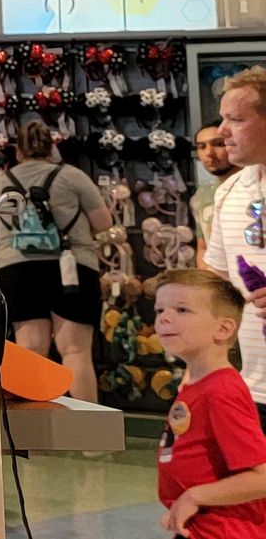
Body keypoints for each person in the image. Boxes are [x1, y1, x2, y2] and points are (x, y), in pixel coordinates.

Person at [0, 119, 113, 402]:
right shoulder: (72, 176)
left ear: (18, 151)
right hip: (71, 266)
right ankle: (88, 428)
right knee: (76, 350)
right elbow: (103, 222)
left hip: (17, 269)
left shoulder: (1, 182)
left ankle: (36, 426)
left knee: (30, 350)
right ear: (52, 148)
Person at [152, 269, 266, 538]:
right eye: (159, 310)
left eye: (181, 310)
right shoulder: (198, 384)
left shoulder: (221, 391)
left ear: (223, 328)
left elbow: (262, 476)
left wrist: (193, 497)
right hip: (202, 525)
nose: (164, 318)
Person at [200, 66, 266, 430]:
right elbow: (218, 283)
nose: (222, 131)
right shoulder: (229, 192)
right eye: (223, 118)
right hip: (253, 388)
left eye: (236, 120)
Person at [197, 124, 235, 242]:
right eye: (202, 146)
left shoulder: (255, 189)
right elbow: (203, 247)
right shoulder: (202, 195)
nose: (209, 152)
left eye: (219, 144)